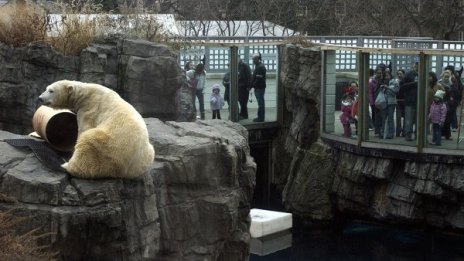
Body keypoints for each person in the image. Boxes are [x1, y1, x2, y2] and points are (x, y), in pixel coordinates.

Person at [401, 62, 418, 141]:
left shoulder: (424, 74)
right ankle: (408, 135)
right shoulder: (408, 75)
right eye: (415, 66)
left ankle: (417, 135)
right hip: (410, 101)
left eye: (418, 67)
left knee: (418, 120)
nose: (417, 68)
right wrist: (413, 84)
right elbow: (402, 86)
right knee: (409, 120)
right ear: (413, 66)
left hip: (419, 101)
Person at [382, 70, 399, 139]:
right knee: (384, 118)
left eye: (387, 75)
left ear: (390, 75)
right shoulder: (383, 82)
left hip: (391, 102)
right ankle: (384, 133)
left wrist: (388, 87)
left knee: (390, 118)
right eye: (385, 76)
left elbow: (396, 91)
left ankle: (391, 134)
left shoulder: (394, 82)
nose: (386, 77)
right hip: (384, 102)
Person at [251, 53, 267, 122]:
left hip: (259, 88)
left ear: (258, 59)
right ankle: (260, 117)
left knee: (260, 103)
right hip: (260, 87)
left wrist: (252, 86)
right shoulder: (260, 66)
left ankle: (260, 118)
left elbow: (258, 79)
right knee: (261, 102)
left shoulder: (260, 67)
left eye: (254, 59)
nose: (253, 61)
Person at [438, 70, 453, 139]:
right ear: (443, 76)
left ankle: (447, 135)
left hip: (448, 103)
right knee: (441, 119)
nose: (446, 78)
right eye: (445, 76)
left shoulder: (451, 83)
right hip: (441, 102)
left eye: (448, 76)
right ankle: (440, 134)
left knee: (448, 120)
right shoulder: (440, 83)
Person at [396, 69, 406, 137]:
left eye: (401, 74)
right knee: (398, 118)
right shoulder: (395, 82)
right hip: (398, 101)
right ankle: (398, 132)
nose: (399, 75)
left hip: (405, 101)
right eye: (398, 74)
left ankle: (404, 132)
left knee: (406, 118)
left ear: (403, 74)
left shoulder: (406, 82)